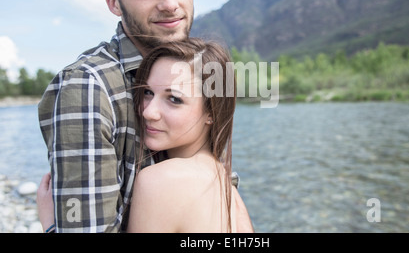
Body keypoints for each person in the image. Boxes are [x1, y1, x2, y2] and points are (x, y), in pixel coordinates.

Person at [37, 0, 252, 233]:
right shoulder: (88, 86)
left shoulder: (193, 70)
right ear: (115, 3)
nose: (169, 4)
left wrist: (48, 226)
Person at [38, 38, 254, 233]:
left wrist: (50, 225)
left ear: (211, 113)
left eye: (174, 99)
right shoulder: (228, 187)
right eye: (148, 92)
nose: (148, 112)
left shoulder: (161, 180)